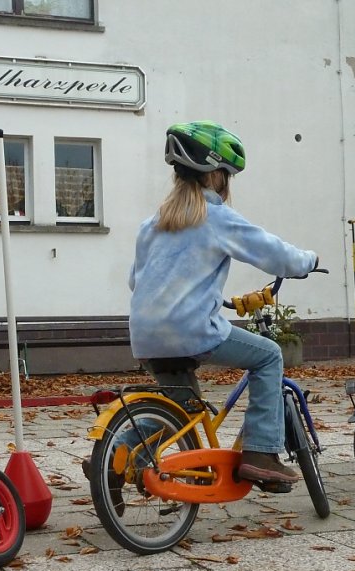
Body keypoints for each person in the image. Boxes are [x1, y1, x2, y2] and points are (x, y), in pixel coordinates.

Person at [127, 120, 319, 484]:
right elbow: (273, 253)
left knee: (180, 406)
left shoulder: (151, 225)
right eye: (227, 175)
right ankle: (261, 453)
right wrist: (308, 260)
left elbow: (136, 280)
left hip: (145, 334)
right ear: (215, 175)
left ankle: (117, 455)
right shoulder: (215, 218)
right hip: (192, 330)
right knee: (268, 356)